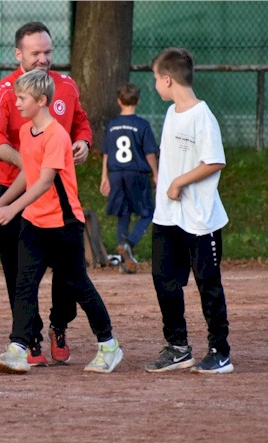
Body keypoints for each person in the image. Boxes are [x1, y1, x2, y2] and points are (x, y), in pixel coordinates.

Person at [0, 69, 123, 375]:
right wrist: (0, 204)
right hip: (34, 224)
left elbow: (45, 181)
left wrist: (12, 209)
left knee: (78, 286)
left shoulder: (57, 135)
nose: (17, 103)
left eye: (22, 98)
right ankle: (17, 349)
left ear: (41, 101)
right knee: (24, 285)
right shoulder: (26, 132)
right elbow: (27, 174)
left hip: (64, 225)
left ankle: (109, 345)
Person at [0, 21, 91, 367]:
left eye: (48, 52)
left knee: (68, 271)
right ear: (18, 54)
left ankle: (60, 325)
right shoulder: (3, 92)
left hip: (56, 196)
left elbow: (81, 122)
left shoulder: (66, 86)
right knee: (19, 274)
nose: (43, 58)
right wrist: (27, 163)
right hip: (15, 190)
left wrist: (83, 142)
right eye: (35, 53)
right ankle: (29, 338)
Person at [145, 48, 232, 374]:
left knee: (208, 284)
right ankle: (178, 347)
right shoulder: (172, 113)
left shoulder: (202, 116)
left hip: (199, 219)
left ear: (168, 79)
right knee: (163, 278)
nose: (155, 84)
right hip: (167, 216)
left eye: (156, 78)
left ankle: (220, 351)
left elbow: (215, 161)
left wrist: (179, 181)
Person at [100, 83, 159, 274]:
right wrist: (156, 173)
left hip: (116, 174)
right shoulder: (142, 125)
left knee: (123, 214)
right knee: (148, 213)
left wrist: (104, 177)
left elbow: (107, 153)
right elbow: (150, 153)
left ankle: (124, 257)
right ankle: (129, 244)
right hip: (136, 174)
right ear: (138, 101)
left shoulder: (112, 125)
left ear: (119, 101)